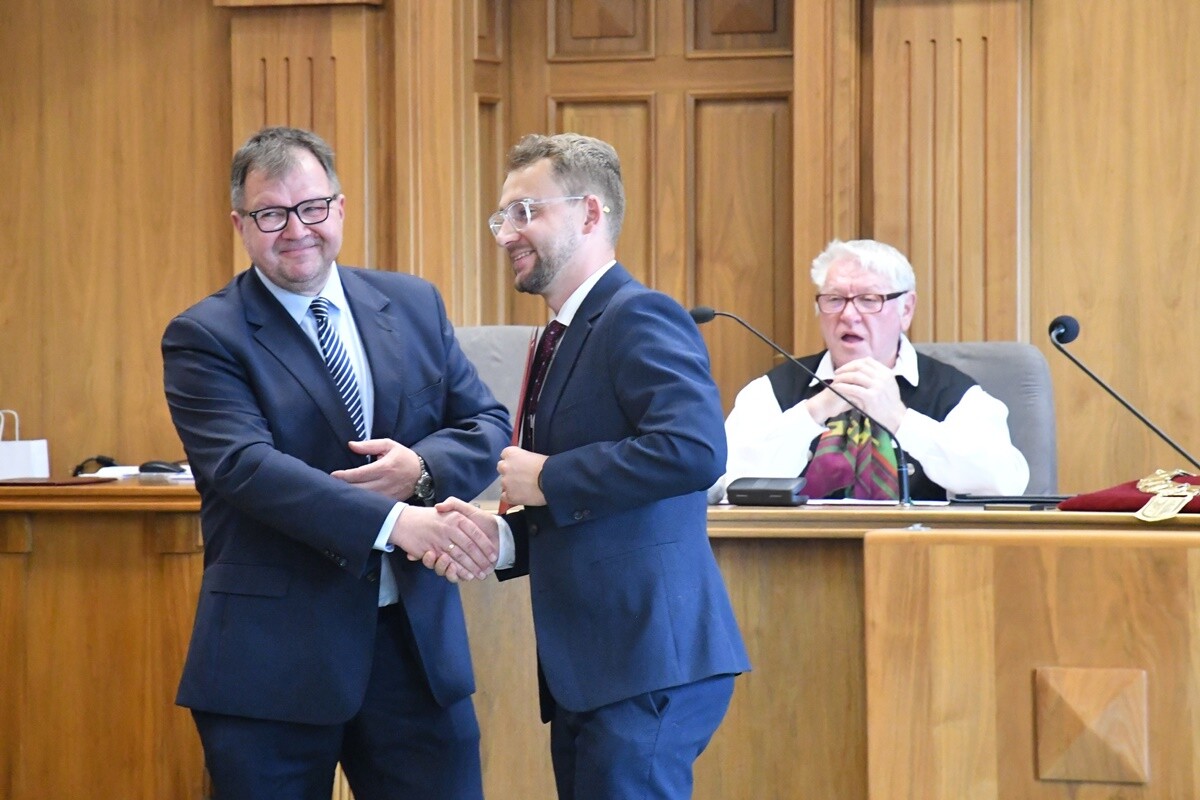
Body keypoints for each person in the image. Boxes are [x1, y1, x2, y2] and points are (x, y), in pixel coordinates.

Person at [161, 126, 510, 800]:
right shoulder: (205, 335)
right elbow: (246, 467)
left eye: (312, 207)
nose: (297, 230)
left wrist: (421, 468)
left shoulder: (413, 304)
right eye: (271, 214)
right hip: (272, 665)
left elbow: (489, 423)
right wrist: (397, 523)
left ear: (340, 209)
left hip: (415, 656)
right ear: (240, 225)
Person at [431, 133, 750, 800]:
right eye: (502, 216)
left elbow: (694, 449)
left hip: (646, 663)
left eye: (526, 212)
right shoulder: (566, 333)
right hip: (594, 671)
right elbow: (596, 508)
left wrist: (549, 477)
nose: (506, 234)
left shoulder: (639, 315)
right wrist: (502, 539)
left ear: (590, 213)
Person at [720, 238, 1030, 501]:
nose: (848, 315)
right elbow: (722, 483)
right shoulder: (772, 391)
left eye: (869, 300)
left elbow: (1005, 483)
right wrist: (813, 412)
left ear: (906, 309)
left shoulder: (956, 395)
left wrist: (900, 420)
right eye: (834, 299)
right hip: (793, 552)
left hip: (918, 549)